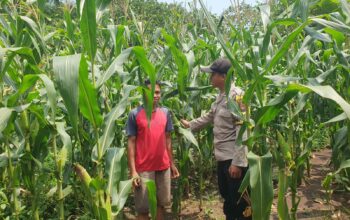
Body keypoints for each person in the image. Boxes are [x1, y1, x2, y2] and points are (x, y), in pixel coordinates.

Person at [181, 58, 250, 220]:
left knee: (239, 204)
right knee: (228, 200)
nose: (210, 78)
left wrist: (238, 163)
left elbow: (243, 130)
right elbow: (209, 117)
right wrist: (189, 125)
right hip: (223, 158)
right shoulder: (221, 96)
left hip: (233, 160)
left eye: (213, 74)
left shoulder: (237, 97)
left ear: (224, 77)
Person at [126, 79, 180, 220]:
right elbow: (131, 142)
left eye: (157, 92)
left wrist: (172, 164)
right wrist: (133, 171)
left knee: (161, 205)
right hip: (143, 169)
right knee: (143, 209)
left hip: (163, 167)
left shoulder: (165, 113)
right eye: (151, 92)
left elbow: (168, 139)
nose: (155, 95)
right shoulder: (134, 114)